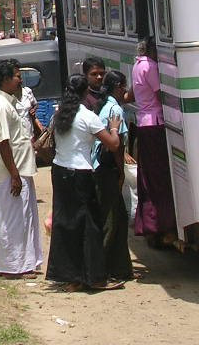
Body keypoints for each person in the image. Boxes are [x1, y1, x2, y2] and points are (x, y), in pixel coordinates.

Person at [45, 74, 123, 292]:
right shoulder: (88, 117)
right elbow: (113, 145)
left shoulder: (59, 114)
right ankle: (95, 277)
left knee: (66, 225)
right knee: (90, 227)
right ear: (85, 93)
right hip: (80, 174)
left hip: (59, 172)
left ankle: (71, 277)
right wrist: (114, 127)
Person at [0, 58, 42, 279]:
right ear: (6, 79)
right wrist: (14, 175)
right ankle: (14, 266)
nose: (20, 80)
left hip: (18, 170)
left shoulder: (7, 102)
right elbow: (3, 142)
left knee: (23, 217)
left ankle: (21, 263)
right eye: (17, 76)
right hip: (9, 173)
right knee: (14, 220)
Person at [131, 37, 178, 248]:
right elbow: (161, 95)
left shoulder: (138, 65)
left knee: (149, 176)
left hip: (144, 122)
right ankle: (162, 225)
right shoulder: (150, 66)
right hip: (154, 122)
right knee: (160, 177)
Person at [92, 70, 134, 281]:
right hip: (106, 170)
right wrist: (120, 173)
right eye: (123, 86)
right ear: (117, 87)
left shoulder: (103, 105)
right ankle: (101, 270)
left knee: (119, 217)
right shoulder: (115, 109)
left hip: (99, 168)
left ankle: (121, 268)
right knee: (111, 220)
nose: (125, 90)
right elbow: (117, 147)